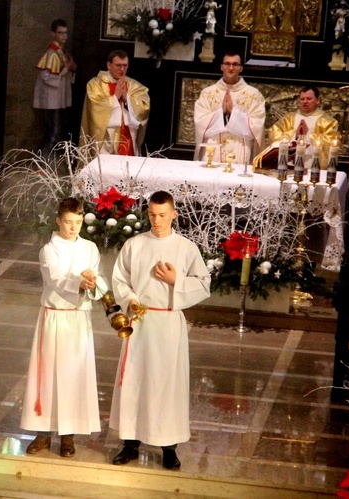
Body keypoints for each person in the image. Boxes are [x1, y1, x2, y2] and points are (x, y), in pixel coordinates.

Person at [109, 190, 211, 470]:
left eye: (163, 215)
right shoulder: (135, 244)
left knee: (167, 384)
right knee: (136, 381)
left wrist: (176, 279)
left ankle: (168, 447)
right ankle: (130, 443)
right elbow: (119, 278)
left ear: (174, 214)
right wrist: (130, 300)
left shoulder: (185, 247)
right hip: (140, 323)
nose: (157, 220)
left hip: (167, 323)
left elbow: (204, 283)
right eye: (152, 214)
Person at [20, 197, 107, 458]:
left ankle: (67, 435)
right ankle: (43, 432)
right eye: (68, 222)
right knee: (47, 376)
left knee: (73, 376)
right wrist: (80, 284)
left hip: (79, 318)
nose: (73, 228)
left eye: (78, 222)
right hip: (55, 317)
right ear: (59, 221)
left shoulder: (90, 247)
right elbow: (56, 279)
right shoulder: (49, 249)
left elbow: (99, 277)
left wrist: (94, 282)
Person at [193, 51, 266, 165]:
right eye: (227, 64)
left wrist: (233, 113)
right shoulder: (207, 93)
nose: (231, 68)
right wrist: (221, 113)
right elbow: (200, 122)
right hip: (213, 150)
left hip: (240, 149)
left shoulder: (254, 95)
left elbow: (257, 127)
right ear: (221, 67)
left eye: (235, 64)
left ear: (240, 68)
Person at [79, 49, 150, 157]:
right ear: (109, 65)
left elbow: (144, 107)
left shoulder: (133, 85)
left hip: (127, 136)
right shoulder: (95, 84)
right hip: (105, 139)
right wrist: (115, 97)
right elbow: (95, 109)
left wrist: (127, 99)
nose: (122, 69)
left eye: (125, 66)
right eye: (118, 65)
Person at [256, 86, 340, 169]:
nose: (305, 101)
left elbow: (332, 141)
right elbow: (273, 133)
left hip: (313, 166)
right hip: (289, 166)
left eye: (309, 99)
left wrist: (309, 135)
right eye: (302, 99)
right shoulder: (289, 118)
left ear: (318, 100)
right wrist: (294, 134)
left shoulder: (328, 121)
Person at [33, 19, 77, 157]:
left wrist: (71, 70)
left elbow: (66, 72)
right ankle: (40, 163)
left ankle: (45, 161)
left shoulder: (62, 51)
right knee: (52, 131)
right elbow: (45, 77)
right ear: (52, 33)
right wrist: (66, 70)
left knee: (55, 131)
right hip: (50, 99)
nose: (64, 36)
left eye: (65, 33)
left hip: (57, 98)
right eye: (60, 33)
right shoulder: (51, 53)